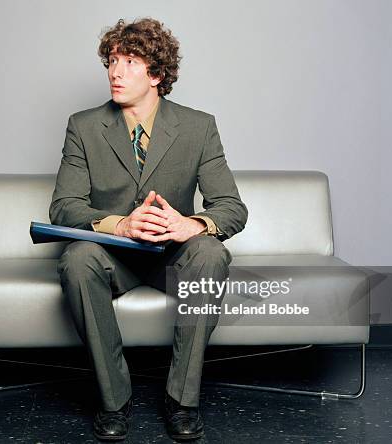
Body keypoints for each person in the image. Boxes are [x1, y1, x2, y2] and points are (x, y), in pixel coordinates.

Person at [49, 17, 248, 441]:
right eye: (112, 61)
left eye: (131, 61)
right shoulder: (84, 126)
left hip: (172, 261)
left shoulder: (198, 127)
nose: (115, 72)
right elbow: (63, 208)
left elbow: (231, 208)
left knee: (210, 251)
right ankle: (114, 400)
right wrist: (119, 224)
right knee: (76, 259)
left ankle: (182, 398)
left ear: (156, 74)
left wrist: (189, 223)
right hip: (112, 258)